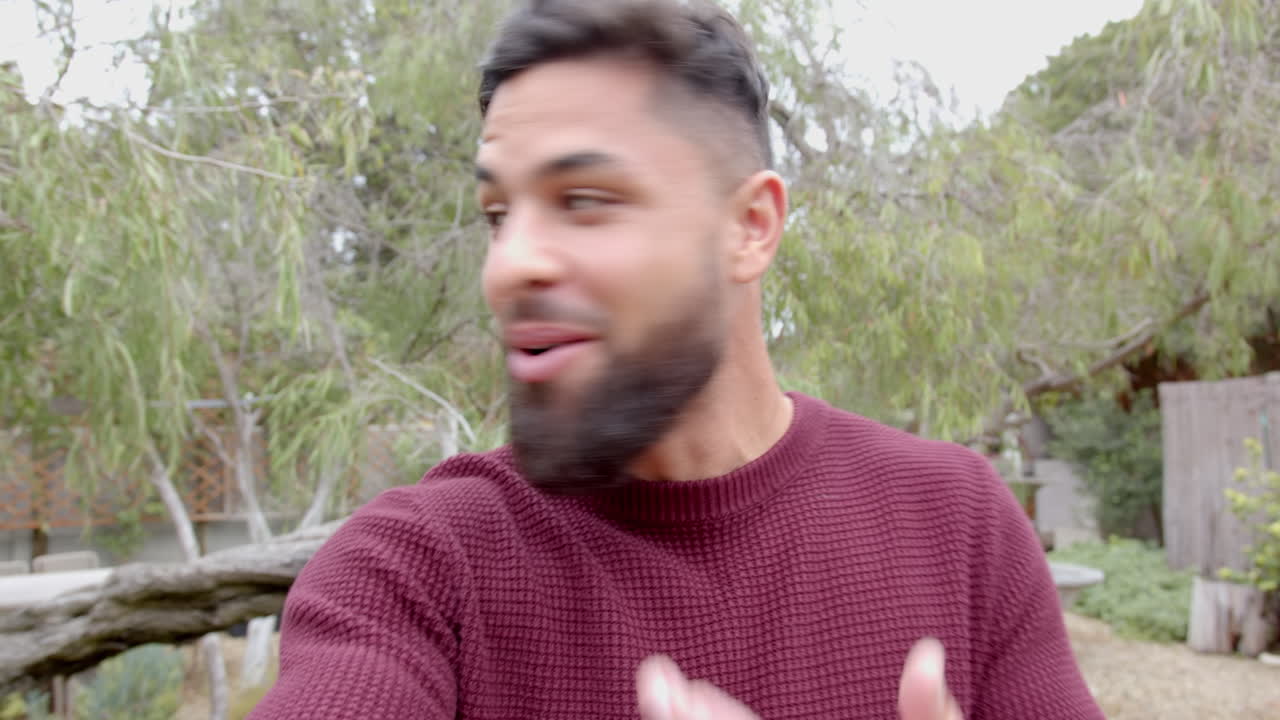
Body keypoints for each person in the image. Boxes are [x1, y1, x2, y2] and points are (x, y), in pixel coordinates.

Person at [250, 1, 1104, 718]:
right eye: (497, 213)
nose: (509, 268)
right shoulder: (414, 571)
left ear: (750, 228)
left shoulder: (956, 522)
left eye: (585, 201)